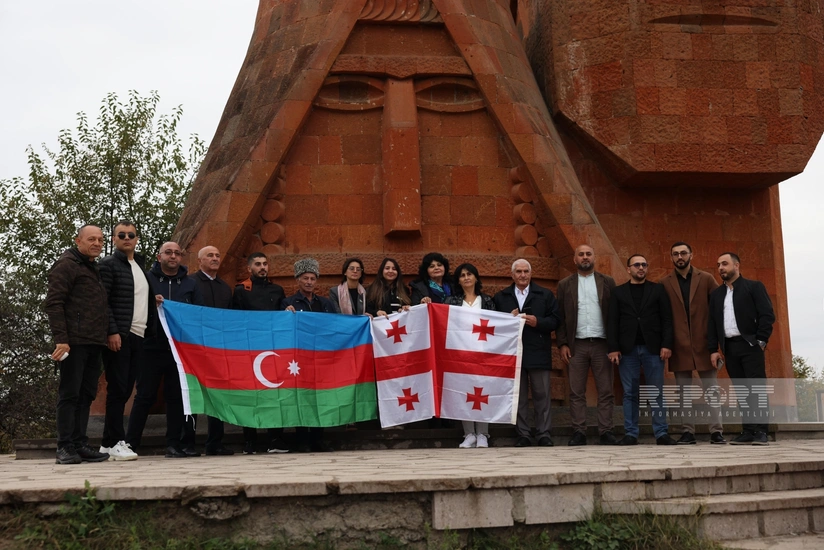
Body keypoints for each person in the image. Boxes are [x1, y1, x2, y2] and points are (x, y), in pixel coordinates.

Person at [124, 242, 204, 458]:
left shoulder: (191, 284)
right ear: (159, 257)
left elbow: (197, 314)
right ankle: (130, 444)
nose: (173, 256)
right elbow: (133, 305)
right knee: (144, 396)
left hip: (179, 350)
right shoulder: (146, 279)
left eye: (177, 253)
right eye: (168, 253)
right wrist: (152, 302)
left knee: (176, 396)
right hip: (150, 346)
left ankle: (173, 444)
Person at [44, 224, 111, 465]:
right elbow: (54, 303)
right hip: (74, 343)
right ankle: (64, 447)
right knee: (70, 394)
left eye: (101, 240)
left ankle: (80, 443)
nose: (97, 244)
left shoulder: (93, 268)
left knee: (86, 395)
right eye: (91, 239)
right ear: (78, 241)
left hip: (95, 342)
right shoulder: (67, 265)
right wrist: (62, 339)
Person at [98, 220, 156, 461]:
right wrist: (112, 331)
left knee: (124, 390)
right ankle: (118, 441)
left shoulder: (140, 267)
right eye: (121, 235)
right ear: (113, 239)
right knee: (118, 389)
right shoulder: (108, 265)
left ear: (137, 238)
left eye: (131, 234)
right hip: (120, 335)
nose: (126, 238)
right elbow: (104, 302)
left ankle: (107, 443)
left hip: (139, 336)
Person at [607, 254, 677, 446]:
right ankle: (631, 434)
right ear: (628, 269)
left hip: (653, 349)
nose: (641, 268)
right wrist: (613, 348)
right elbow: (612, 321)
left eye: (644, 265)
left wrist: (666, 344)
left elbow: (667, 320)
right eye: (637, 265)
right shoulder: (618, 292)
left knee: (656, 392)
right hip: (626, 350)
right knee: (629, 392)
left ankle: (661, 433)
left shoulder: (658, 290)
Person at [708, 252, 776, 446]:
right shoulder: (716, 295)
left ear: (736, 265)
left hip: (751, 346)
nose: (721, 267)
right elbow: (712, 324)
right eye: (719, 264)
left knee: (757, 389)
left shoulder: (754, 287)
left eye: (725, 264)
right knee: (741, 390)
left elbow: (767, 315)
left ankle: (761, 432)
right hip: (730, 348)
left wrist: (761, 340)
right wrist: (714, 349)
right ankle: (747, 431)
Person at [661, 242, 725, 445]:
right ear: (671, 257)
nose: (679, 256)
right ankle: (687, 432)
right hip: (679, 345)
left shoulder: (705, 278)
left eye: (683, 253)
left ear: (691, 255)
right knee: (683, 393)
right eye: (675, 254)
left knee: (712, 390)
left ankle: (717, 431)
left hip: (705, 345)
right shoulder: (664, 283)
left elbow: (719, 307)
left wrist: (715, 345)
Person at [493, 259, 561, 447]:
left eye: (526, 271)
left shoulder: (544, 294)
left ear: (531, 274)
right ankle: (523, 434)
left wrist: (537, 321)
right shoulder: (501, 297)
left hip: (538, 350)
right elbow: (495, 325)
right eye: (519, 271)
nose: (523, 275)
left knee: (542, 395)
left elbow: (555, 320)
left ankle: (544, 433)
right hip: (513, 352)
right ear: (512, 274)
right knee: (519, 396)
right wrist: (509, 319)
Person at [555, 245, 617, 446]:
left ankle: (606, 431)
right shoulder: (565, 284)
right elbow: (561, 318)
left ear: (594, 257)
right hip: (576, 345)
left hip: (602, 344)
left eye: (588, 254)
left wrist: (615, 345)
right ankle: (579, 432)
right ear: (574, 259)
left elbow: (615, 316)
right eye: (581, 254)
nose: (585, 257)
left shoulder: (607, 282)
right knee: (576, 391)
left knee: (606, 390)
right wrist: (563, 343)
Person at [232, 252, 288, 455]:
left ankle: (275, 439)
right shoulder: (241, 290)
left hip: (273, 350)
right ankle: (250, 441)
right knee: (251, 396)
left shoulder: (278, 290)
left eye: (265, 263)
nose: (262, 267)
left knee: (275, 394)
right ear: (249, 268)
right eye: (258, 264)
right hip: (249, 350)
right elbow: (236, 321)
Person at [184, 245, 235, 456]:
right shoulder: (190, 283)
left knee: (218, 394)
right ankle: (187, 443)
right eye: (210, 256)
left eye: (217, 255)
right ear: (199, 261)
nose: (215, 258)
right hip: (194, 348)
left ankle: (215, 443)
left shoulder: (225, 287)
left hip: (219, 349)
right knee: (193, 393)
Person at [283, 258, 337, 452]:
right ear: (298, 280)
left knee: (319, 398)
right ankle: (302, 439)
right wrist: (285, 314)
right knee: (301, 397)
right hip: (299, 360)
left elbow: (336, 326)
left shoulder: (325, 304)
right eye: (305, 278)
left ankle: (317, 439)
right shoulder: (288, 303)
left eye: (313, 278)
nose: (309, 282)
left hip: (321, 358)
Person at [445, 263, 496, 449]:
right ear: (458, 280)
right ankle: (469, 434)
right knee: (464, 392)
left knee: (482, 392)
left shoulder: (488, 301)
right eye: (462, 275)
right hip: (460, 353)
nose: (466, 277)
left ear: (476, 277)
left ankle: (483, 434)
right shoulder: (451, 301)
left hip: (483, 352)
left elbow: (497, 326)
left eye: (470, 274)